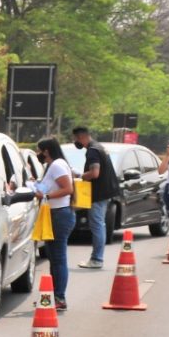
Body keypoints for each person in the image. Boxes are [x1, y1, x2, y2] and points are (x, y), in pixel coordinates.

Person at [33, 137, 75, 311]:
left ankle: (59, 297)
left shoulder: (57, 165)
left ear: (47, 151)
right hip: (54, 214)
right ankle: (52, 296)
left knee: (58, 259)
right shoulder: (54, 165)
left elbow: (68, 189)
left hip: (59, 214)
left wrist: (47, 196)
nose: (38, 154)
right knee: (53, 257)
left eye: (40, 150)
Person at [72, 126, 120, 269]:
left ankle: (97, 259)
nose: (75, 142)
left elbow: (95, 173)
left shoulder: (93, 151)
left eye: (75, 139)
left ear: (81, 137)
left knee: (97, 225)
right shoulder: (99, 147)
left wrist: (80, 175)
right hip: (104, 192)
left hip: (98, 194)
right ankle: (97, 258)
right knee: (99, 224)